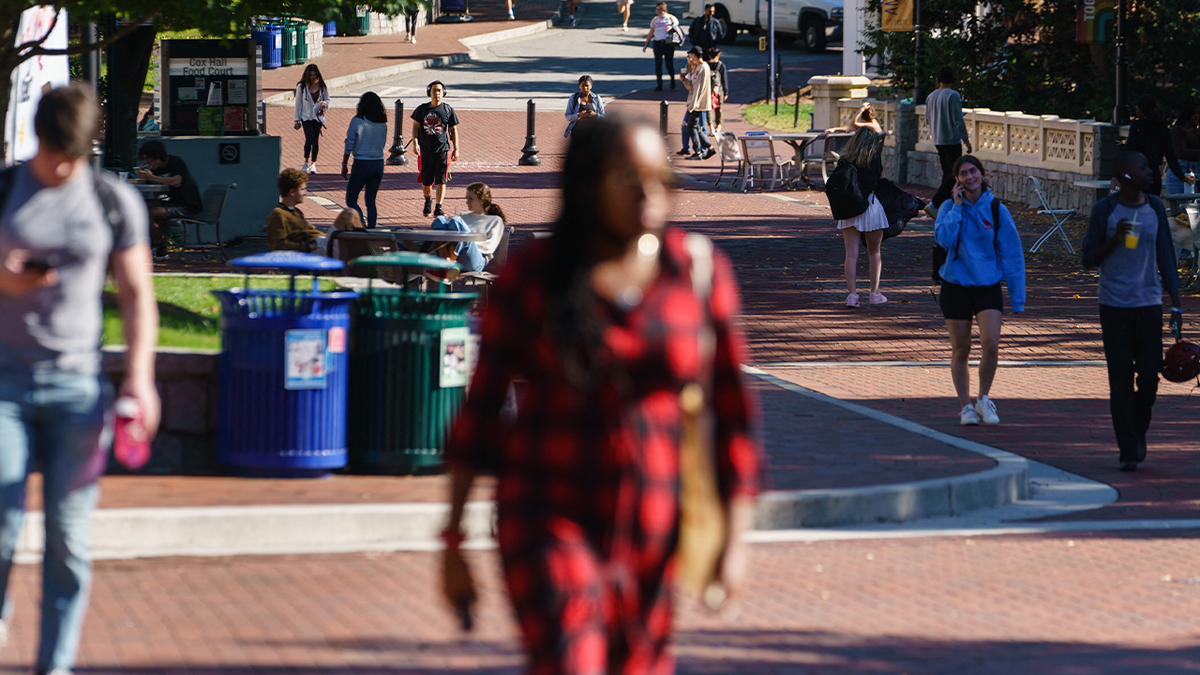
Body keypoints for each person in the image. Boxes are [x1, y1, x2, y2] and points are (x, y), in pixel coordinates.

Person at [440, 116, 760, 675]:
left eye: (662, 180)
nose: (651, 195)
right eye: (631, 179)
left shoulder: (694, 272)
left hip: (654, 522)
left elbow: (734, 416)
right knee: (572, 662)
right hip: (546, 511)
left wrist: (733, 543)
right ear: (587, 183)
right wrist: (453, 539)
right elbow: (483, 406)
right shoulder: (536, 276)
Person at [0, 82, 160, 675]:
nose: (61, 167)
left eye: (72, 156)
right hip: (4, 386)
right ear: (35, 138)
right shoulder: (5, 190)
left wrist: (140, 379)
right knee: (0, 524)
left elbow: (138, 294)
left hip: (78, 389)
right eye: (51, 154)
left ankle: (55, 665)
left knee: (69, 542)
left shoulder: (113, 201)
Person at [1082, 151, 1183, 471]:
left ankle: (1137, 431)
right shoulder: (1105, 210)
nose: (1151, 171)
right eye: (1142, 167)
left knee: (1151, 378)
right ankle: (1128, 448)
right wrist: (1114, 240)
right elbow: (1087, 258)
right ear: (1125, 175)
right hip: (1114, 306)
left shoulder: (1154, 206)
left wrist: (1177, 304)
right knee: (1121, 379)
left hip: (1149, 304)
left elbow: (1166, 256)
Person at [934, 155, 1025, 426]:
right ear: (957, 180)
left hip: (987, 287)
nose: (969, 177)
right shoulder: (949, 207)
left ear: (982, 174)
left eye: (973, 171)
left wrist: (1017, 298)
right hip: (955, 286)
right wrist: (958, 207)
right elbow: (944, 240)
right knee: (961, 348)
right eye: (962, 173)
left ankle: (984, 399)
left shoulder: (997, 210)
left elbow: (1012, 256)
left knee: (991, 344)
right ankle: (966, 407)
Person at [833, 127, 888, 308]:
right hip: (870, 207)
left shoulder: (845, 159)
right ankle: (874, 293)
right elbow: (881, 180)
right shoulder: (874, 159)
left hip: (849, 209)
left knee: (851, 254)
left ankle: (852, 295)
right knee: (874, 251)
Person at [134, 139, 202, 260]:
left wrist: (152, 177)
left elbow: (176, 181)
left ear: (157, 156)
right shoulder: (158, 169)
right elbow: (154, 179)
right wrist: (145, 175)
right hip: (172, 202)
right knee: (140, 206)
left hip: (187, 206)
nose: (146, 162)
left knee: (148, 213)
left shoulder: (176, 161)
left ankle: (160, 248)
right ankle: (150, 242)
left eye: (148, 159)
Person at [924, 66, 973, 218]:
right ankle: (935, 204)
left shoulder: (930, 96)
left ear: (938, 80)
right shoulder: (953, 95)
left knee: (947, 174)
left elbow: (927, 119)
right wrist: (966, 140)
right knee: (953, 175)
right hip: (951, 140)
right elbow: (957, 121)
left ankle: (947, 206)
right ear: (953, 79)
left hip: (938, 140)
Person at [1126, 94, 1195, 197]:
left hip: (1138, 173)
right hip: (1154, 175)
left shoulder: (1137, 125)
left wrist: (1123, 146)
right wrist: (1181, 176)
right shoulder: (1162, 128)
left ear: (1141, 110)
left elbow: (1130, 150)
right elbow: (1170, 155)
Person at [430, 182, 507, 272]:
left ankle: (449, 263)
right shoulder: (464, 216)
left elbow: (489, 247)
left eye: (471, 199)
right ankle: (447, 260)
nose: (467, 202)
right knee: (441, 219)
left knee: (457, 222)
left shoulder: (495, 220)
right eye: (467, 198)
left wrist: (466, 243)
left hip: (476, 259)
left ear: (481, 200)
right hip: (455, 255)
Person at [411, 80, 460, 218]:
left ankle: (438, 207)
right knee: (426, 181)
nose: (437, 93)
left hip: (442, 150)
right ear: (429, 93)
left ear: (443, 93)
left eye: (439, 90)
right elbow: (415, 127)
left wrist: (456, 148)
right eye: (434, 90)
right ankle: (428, 200)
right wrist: (415, 143)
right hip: (426, 151)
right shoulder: (422, 109)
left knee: (441, 179)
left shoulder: (448, 110)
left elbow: (453, 130)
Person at [342, 91, 389, 229]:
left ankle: (361, 222)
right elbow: (382, 143)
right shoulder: (382, 124)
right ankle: (372, 227)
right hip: (378, 162)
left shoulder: (358, 121)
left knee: (351, 198)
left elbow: (349, 143)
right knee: (370, 201)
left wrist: (345, 162)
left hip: (362, 162)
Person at [267, 168, 324, 253]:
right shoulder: (279, 214)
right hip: (312, 249)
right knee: (348, 214)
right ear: (292, 192)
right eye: (302, 189)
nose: (305, 193)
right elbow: (278, 245)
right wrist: (308, 246)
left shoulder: (296, 212)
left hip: (319, 242)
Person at [293, 64, 329, 174]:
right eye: (310, 75)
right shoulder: (302, 87)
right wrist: (297, 118)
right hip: (306, 117)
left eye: (314, 75)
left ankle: (313, 163)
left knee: (315, 140)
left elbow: (327, 100)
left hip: (318, 117)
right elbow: (298, 103)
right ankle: (306, 161)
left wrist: (325, 104)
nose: (312, 77)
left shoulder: (322, 86)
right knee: (309, 138)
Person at [681, 46, 715, 160]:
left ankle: (699, 151)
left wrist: (693, 104)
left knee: (692, 126)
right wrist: (684, 79)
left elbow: (699, 88)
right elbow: (692, 86)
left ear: (695, 55)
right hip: (695, 102)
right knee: (694, 126)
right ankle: (709, 147)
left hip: (698, 103)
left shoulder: (703, 67)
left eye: (691, 56)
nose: (690, 59)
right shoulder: (698, 67)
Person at [642, 3, 681, 92]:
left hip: (668, 43)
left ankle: (672, 81)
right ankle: (659, 84)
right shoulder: (655, 20)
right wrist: (646, 44)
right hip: (658, 43)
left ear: (665, 10)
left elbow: (678, 28)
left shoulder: (671, 18)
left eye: (660, 10)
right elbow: (651, 32)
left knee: (669, 63)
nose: (658, 12)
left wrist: (671, 27)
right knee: (658, 64)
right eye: (657, 10)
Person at [1167, 99, 1200, 196]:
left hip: (1196, 171)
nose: (1197, 117)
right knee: (1181, 207)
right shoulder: (1177, 130)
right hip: (1181, 172)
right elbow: (1180, 152)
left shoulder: (1196, 132)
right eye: (1194, 113)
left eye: (1198, 113)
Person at [707, 47, 728, 134]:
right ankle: (718, 125)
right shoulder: (721, 65)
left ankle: (711, 126)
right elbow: (724, 79)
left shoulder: (706, 65)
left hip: (708, 90)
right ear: (718, 55)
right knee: (719, 108)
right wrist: (726, 92)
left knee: (708, 108)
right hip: (718, 89)